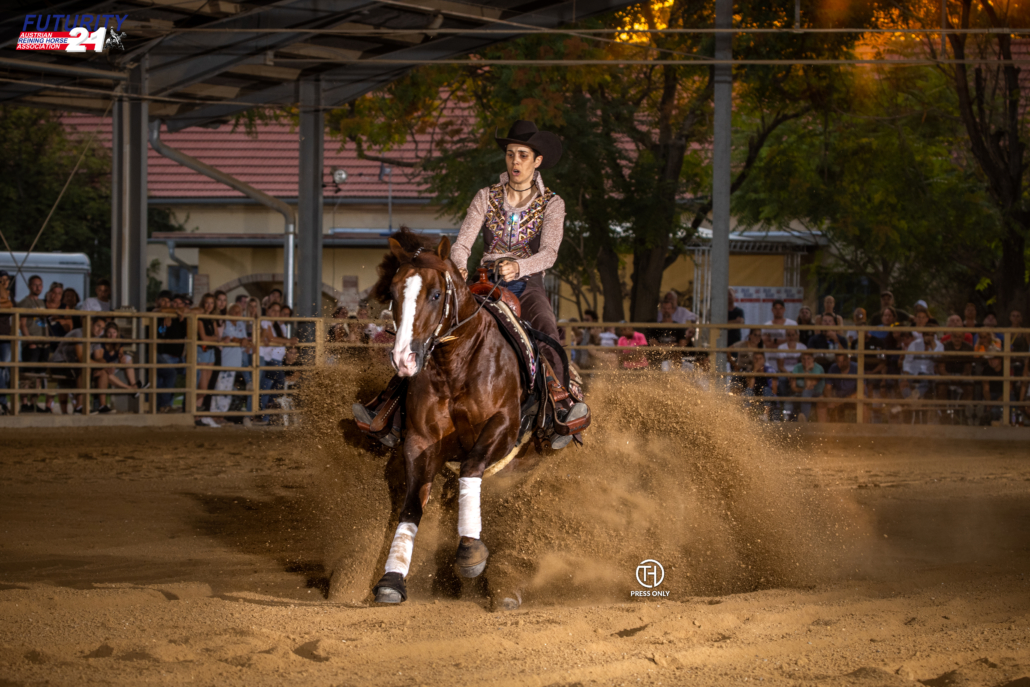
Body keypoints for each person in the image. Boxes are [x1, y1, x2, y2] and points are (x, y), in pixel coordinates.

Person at [358, 120, 588, 448]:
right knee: (432, 327)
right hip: (483, 283)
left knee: (547, 330)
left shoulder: (553, 204)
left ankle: (559, 407)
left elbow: (550, 252)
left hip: (529, 283)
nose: (515, 162)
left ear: (537, 161)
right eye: (511, 154)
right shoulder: (485, 197)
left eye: (523, 155)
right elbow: (464, 241)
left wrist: (519, 265)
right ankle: (390, 409)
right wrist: (460, 265)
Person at [50, 316, 107, 415]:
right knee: (86, 369)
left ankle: (103, 406)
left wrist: (101, 364)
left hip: (73, 364)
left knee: (102, 372)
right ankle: (79, 407)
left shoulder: (96, 338)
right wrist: (99, 364)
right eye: (98, 326)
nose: (100, 330)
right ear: (90, 324)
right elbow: (82, 358)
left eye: (102, 328)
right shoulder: (79, 333)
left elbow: (98, 357)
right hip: (60, 363)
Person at [90, 322, 142, 413]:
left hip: (111, 365)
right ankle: (131, 389)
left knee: (128, 358)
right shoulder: (101, 342)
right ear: (106, 333)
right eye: (109, 332)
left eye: (114, 332)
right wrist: (107, 366)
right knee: (106, 374)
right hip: (101, 367)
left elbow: (120, 354)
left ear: (117, 333)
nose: (111, 335)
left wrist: (119, 361)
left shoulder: (120, 339)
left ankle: (134, 384)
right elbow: (99, 360)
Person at [258, 302, 297, 423]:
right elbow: (271, 339)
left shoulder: (280, 327)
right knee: (277, 382)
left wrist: (286, 341)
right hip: (271, 358)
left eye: (287, 314)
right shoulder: (269, 323)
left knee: (267, 388)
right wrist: (288, 341)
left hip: (275, 359)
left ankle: (266, 417)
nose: (284, 316)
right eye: (283, 313)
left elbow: (275, 340)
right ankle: (268, 408)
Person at [211, 302, 248, 419]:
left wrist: (242, 340)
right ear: (229, 312)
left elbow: (245, 340)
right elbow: (226, 338)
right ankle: (214, 414)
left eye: (239, 312)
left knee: (227, 390)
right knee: (219, 388)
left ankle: (221, 415)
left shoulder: (241, 324)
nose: (237, 314)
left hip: (234, 363)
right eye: (235, 311)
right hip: (224, 361)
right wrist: (238, 339)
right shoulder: (225, 323)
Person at [16, 274, 47, 413]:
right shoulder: (25, 302)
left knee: (39, 375)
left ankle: (34, 403)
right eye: (35, 285)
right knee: (28, 374)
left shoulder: (42, 303)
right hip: (32, 343)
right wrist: (29, 340)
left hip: (43, 343)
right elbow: (22, 324)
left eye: (40, 285)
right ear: (29, 286)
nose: (37, 287)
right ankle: (24, 403)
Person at [154, 293, 188, 413]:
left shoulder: (181, 317)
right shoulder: (161, 315)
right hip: (166, 355)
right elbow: (160, 333)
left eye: (180, 304)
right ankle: (163, 406)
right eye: (175, 303)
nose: (176, 306)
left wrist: (182, 319)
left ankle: (186, 406)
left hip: (178, 357)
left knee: (194, 373)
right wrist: (164, 325)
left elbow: (186, 334)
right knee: (166, 378)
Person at [193, 293, 223, 414]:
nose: (209, 305)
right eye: (207, 303)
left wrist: (214, 338)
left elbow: (217, 336)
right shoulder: (199, 318)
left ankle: (197, 414)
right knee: (203, 389)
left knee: (205, 387)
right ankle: (190, 407)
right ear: (203, 304)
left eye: (211, 303)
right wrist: (214, 338)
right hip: (203, 350)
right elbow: (204, 337)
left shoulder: (212, 319)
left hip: (210, 351)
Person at [788, 351, 826, 422]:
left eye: (808, 358)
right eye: (803, 359)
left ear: (813, 359)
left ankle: (804, 419)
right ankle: (788, 424)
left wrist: (807, 370)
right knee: (790, 401)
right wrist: (803, 390)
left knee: (806, 393)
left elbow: (808, 386)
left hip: (816, 393)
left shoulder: (818, 368)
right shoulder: (797, 367)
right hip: (801, 393)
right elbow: (793, 387)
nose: (806, 361)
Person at [823, 351, 860, 422]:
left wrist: (843, 400)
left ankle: (864, 430)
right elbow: (827, 388)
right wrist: (830, 399)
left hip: (853, 398)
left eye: (843, 361)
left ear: (848, 359)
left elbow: (861, 391)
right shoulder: (833, 368)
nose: (841, 364)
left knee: (863, 405)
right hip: (839, 397)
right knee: (822, 402)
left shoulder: (857, 368)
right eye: (839, 362)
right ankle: (824, 429)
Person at [0, 271, 14, 414]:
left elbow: (10, 304)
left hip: (5, 335)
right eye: (1, 280)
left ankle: (2, 402)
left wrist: (5, 301)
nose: (4, 283)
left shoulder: (10, 295)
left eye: (6, 280)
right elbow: (7, 302)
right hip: (3, 335)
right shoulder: (6, 292)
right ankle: (2, 402)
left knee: (3, 369)